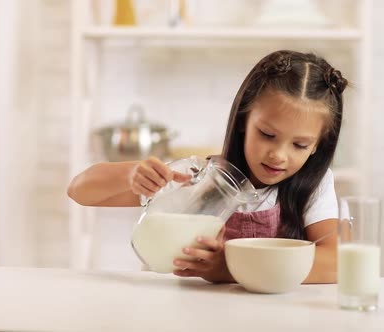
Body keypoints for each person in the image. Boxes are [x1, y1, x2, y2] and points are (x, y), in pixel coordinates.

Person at [68, 50, 348, 284]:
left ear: (316, 147)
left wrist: (228, 268)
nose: (278, 155)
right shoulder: (202, 178)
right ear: (243, 120)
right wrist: (132, 175)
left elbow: (335, 263)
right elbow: (79, 190)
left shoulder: (315, 185)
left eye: (299, 145)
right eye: (267, 134)